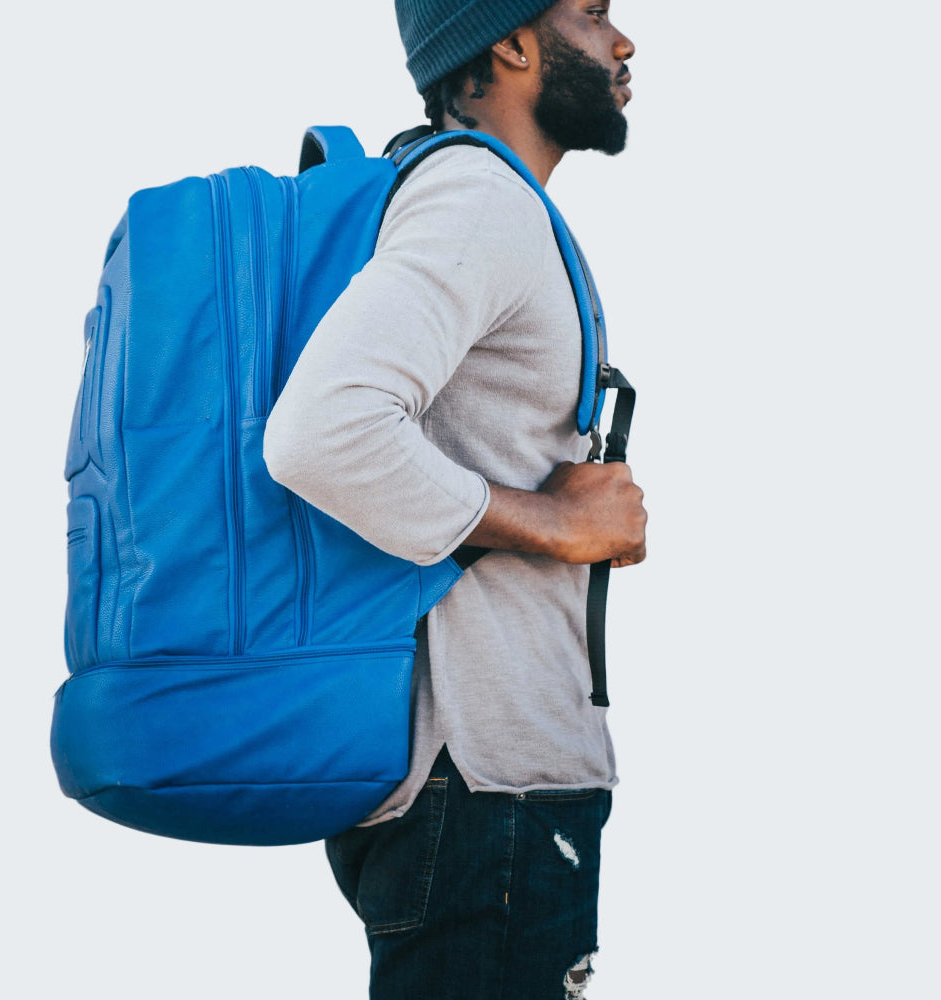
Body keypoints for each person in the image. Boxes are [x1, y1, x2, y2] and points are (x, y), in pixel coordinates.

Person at [264, 1, 647, 996]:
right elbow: (322, 431)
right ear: (511, 41)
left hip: (481, 791)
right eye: (595, 13)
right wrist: (558, 523)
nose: (624, 41)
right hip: (487, 793)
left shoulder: (466, 194)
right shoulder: (478, 199)